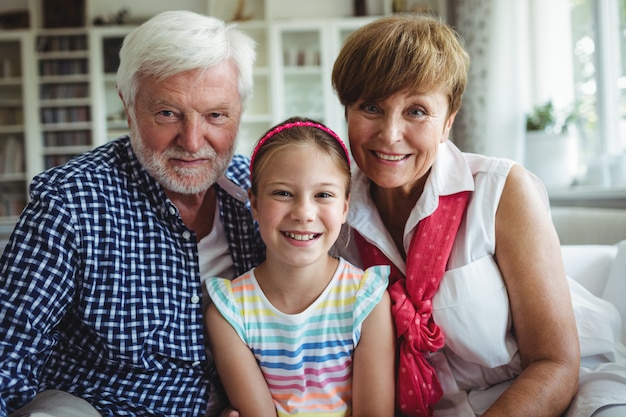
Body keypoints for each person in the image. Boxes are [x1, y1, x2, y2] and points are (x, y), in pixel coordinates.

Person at [331, 13, 626, 417]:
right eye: (370, 107)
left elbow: (555, 363)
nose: (390, 133)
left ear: (448, 121)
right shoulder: (331, 214)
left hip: (558, 395)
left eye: (416, 111)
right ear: (346, 111)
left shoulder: (502, 189)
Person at [0, 10, 265, 417]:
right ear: (128, 106)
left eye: (215, 115)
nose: (193, 141)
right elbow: (9, 353)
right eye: (167, 113)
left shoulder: (262, 193)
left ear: (239, 111)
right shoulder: (69, 202)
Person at [205, 117, 396, 417]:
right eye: (282, 193)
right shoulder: (229, 311)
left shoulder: (367, 299)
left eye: (323, 195)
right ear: (254, 204)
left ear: (345, 207)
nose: (304, 213)